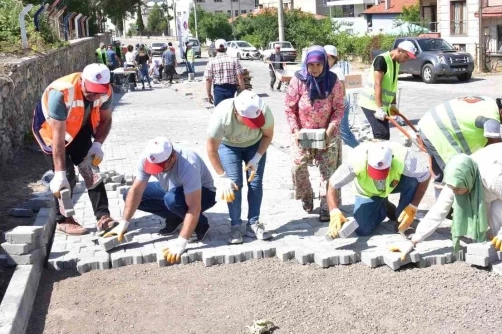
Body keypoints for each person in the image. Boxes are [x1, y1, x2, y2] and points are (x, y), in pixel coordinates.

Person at [390, 143, 502, 271]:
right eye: (453, 188)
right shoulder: (456, 180)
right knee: (488, 207)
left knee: (498, 210)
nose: (455, 193)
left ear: (468, 181)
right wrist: (413, 242)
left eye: (458, 189)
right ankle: (498, 246)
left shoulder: (493, 178)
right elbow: (437, 212)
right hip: (497, 161)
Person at [30, 63, 119, 235]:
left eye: (98, 91)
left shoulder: (105, 92)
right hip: (50, 131)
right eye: (90, 90)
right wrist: (60, 174)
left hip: (79, 126)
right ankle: (63, 220)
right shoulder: (61, 92)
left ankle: (103, 217)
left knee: (91, 170)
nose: (94, 95)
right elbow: (58, 137)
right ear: (82, 81)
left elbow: (106, 119)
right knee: (67, 175)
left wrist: (97, 144)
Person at [104, 137, 215, 264]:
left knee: (172, 199)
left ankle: (201, 225)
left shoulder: (189, 164)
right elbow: (136, 191)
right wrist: (124, 223)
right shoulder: (147, 158)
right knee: (128, 195)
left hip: (204, 193)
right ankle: (177, 217)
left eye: (161, 166)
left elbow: (194, 207)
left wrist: (181, 242)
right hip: (171, 188)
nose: (158, 170)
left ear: (173, 157)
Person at [284, 45, 344, 218]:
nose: (315, 69)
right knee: (298, 166)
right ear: (306, 64)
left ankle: (327, 204)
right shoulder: (298, 80)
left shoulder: (333, 81)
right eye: (311, 65)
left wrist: (330, 129)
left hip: (327, 134)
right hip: (302, 134)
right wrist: (295, 130)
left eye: (319, 65)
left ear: (325, 63)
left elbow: (339, 108)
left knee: (328, 171)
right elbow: (289, 107)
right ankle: (306, 194)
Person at [206, 91, 274, 243]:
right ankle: (236, 225)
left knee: (256, 183)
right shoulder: (222, 116)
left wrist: (257, 158)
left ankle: (253, 223)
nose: (251, 125)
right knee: (234, 184)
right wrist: (222, 176)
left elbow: (268, 135)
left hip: (255, 144)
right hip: (229, 146)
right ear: (236, 112)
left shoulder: (263, 110)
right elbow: (211, 149)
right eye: (248, 121)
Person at [326, 141, 431, 237]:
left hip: (393, 184)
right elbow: (332, 184)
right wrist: (334, 211)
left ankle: (403, 221)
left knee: (413, 180)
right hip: (368, 192)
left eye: (383, 171)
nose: (378, 177)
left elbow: (425, 176)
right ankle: (382, 207)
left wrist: (413, 206)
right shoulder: (355, 160)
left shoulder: (403, 157)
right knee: (362, 230)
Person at [418, 94, 502, 185]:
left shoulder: (488, 102)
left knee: (443, 175)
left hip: (429, 124)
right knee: (456, 174)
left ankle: (445, 207)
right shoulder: (492, 118)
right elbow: (497, 147)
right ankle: (449, 208)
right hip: (438, 131)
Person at [357, 40, 417, 140]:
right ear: (399, 50)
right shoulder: (382, 59)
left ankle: (375, 148)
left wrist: (393, 105)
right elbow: (377, 84)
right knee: (382, 134)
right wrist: (379, 108)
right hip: (371, 103)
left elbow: (392, 86)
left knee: (383, 135)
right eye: (406, 57)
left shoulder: (396, 63)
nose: (406, 60)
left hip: (381, 106)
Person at [324, 44, 359, 149]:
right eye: (324, 57)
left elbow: (342, 91)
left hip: (340, 105)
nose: (325, 60)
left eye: (328, 57)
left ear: (334, 58)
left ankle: (362, 153)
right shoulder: (328, 70)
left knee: (345, 133)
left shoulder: (336, 71)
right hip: (334, 105)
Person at [204, 39, 246, 106]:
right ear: (226, 48)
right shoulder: (234, 60)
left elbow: (208, 80)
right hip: (231, 90)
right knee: (232, 111)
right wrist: (243, 92)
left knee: (219, 112)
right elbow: (240, 77)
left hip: (218, 90)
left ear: (215, 49)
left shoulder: (211, 62)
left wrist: (209, 94)